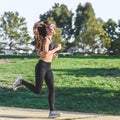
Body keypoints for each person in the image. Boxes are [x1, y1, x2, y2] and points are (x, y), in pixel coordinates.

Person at [13, 20, 62, 118]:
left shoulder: (49, 40)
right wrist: (56, 49)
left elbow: (40, 53)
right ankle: (21, 82)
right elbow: (46, 53)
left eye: (53, 27)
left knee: (52, 89)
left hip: (48, 67)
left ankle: (52, 112)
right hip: (42, 66)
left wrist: (53, 54)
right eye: (49, 27)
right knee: (37, 90)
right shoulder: (46, 40)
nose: (51, 28)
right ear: (47, 30)